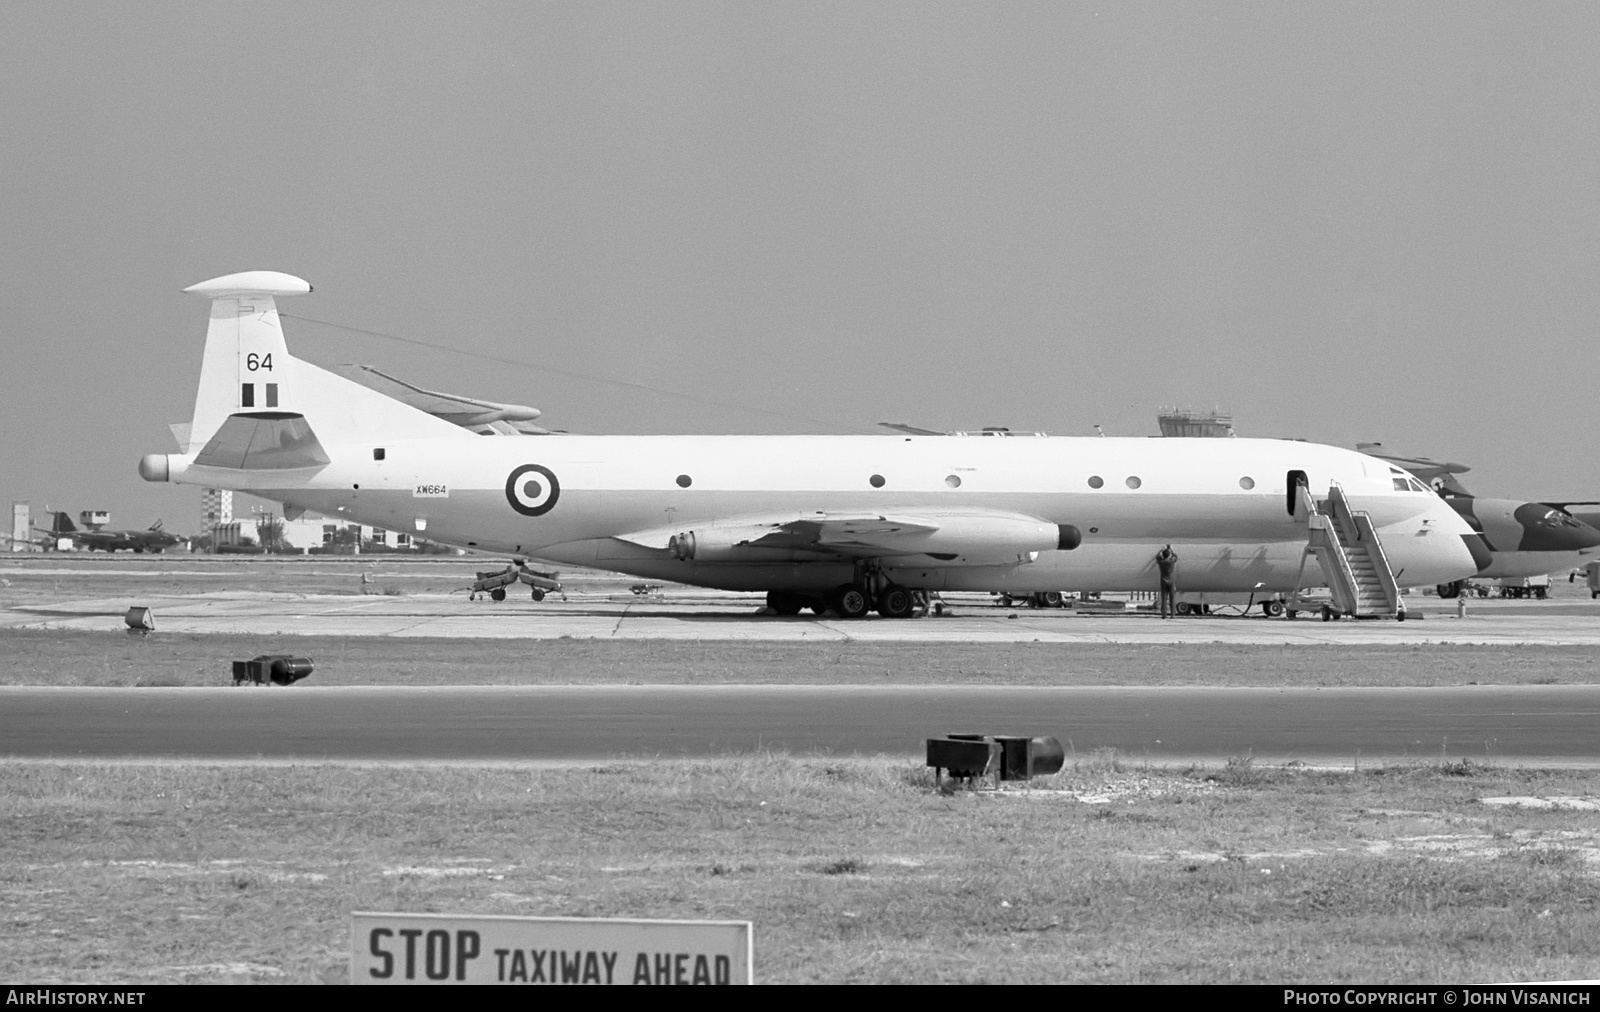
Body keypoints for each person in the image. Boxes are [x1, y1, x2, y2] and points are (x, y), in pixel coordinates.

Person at [1155, 544, 1178, 618]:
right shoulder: (1171, 561)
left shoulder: (1161, 562)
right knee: (1172, 598)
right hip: (1171, 580)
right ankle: (1172, 614)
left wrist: (1162, 550)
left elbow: (1157, 557)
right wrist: (1171, 549)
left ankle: (1164, 615)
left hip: (1163, 580)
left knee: (1164, 599)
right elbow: (1176, 557)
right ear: (1169, 555)